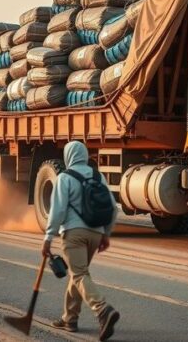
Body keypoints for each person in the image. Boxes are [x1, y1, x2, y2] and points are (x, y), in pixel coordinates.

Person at [41, 140, 120, 341]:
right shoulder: (97, 175)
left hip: (73, 233)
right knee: (78, 274)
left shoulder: (64, 177)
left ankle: (102, 309)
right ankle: (70, 319)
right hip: (95, 234)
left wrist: (48, 237)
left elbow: (57, 210)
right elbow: (113, 208)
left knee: (79, 274)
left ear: (68, 156)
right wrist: (106, 234)